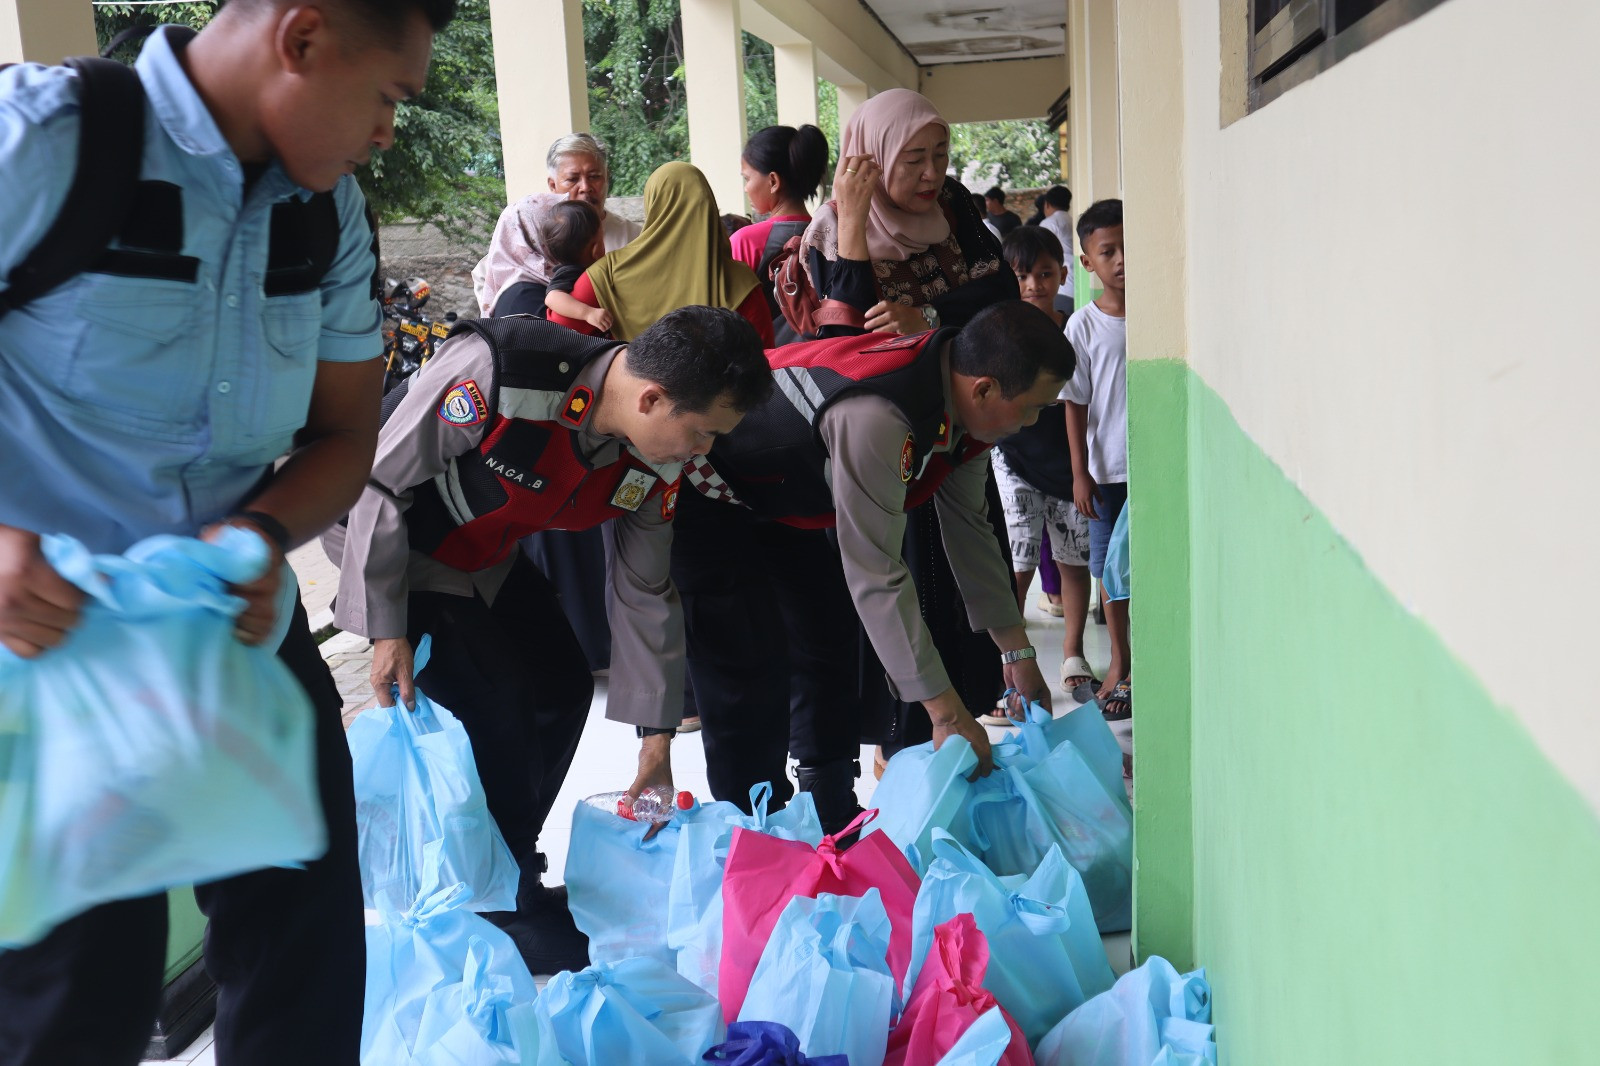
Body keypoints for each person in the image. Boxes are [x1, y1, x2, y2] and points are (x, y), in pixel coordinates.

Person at [0, 1, 451, 1063]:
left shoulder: (326, 214)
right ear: (300, 40)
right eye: (386, 96)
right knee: (81, 991)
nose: (388, 132)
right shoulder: (50, 139)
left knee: (305, 948)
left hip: (230, 626)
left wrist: (258, 530)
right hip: (46, 645)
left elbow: (344, 435)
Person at [328, 306, 772, 974]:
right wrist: (386, 627)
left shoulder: (654, 458)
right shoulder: (505, 373)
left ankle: (507, 870)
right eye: (702, 433)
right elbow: (377, 482)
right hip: (392, 540)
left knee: (562, 686)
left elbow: (644, 590)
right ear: (652, 398)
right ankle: (500, 909)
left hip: (483, 552)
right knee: (498, 704)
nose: (701, 452)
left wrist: (655, 743)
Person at [674, 301, 1071, 830]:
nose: (1032, 424)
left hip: (789, 495)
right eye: (1033, 408)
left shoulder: (963, 406)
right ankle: (754, 822)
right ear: (985, 389)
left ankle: (828, 797)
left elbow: (972, 531)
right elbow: (877, 574)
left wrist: (1016, 650)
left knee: (829, 634)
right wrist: (945, 711)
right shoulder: (879, 416)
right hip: (709, 489)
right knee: (744, 660)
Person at [794, 87, 1021, 757]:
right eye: (913, 159)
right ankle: (901, 753)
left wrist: (930, 317)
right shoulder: (831, 230)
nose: (931, 174)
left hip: (952, 438)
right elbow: (844, 336)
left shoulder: (953, 208)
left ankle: (963, 726)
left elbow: (1000, 290)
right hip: (881, 447)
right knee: (892, 589)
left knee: (961, 582)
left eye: (941, 156)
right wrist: (857, 225)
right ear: (871, 158)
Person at [985, 227, 1097, 708]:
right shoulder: (998, 329)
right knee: (1018, 562)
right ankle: (1008, 665)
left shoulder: (1071, 329)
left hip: (1068, 466)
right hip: (1012, 461)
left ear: (1063, 276)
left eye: (1045, 274)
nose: (1034, 284)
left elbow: (1083, 402)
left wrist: (1081, 470)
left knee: (1074, 562)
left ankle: (1073, 654)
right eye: (1022, 274)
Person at [548, 161, 775, 346]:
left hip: (636, 398)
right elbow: (765, 361)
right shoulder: (741, 283)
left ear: (653, 207)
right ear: (708, 205)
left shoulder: (605, 275)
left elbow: (557, 332)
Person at [1062, 199, 1130, 721]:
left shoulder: (1159, 313)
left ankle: (1139, 664)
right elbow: (1076, 405)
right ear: (1087, 262)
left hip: (1146, 469)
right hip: (1106, 474)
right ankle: (1119, 663)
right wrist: (1080, 473)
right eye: (1109, 251)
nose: (1122, 259)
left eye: (1129, 246)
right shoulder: (1083, 327)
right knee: (1109, 572)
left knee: (1139, 571)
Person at [472, 132, 642, 317]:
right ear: (553, 186)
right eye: (573, 179)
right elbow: (488, 282)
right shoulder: (533, 238)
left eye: (594, 176)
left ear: (607, 177)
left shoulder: (635, 238)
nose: (585, 187)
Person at [730, 123, 829, 343]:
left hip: (769, 369)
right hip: (823, 365)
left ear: (773, 181)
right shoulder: (830, 235)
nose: (746, 188)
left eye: (747, 178)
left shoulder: (745, 242)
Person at [537, 199, 613, 332]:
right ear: (595, 250)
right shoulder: (570, 271)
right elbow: (552, 298)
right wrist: (588, 313)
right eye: (602, 239)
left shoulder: (587, 269)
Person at [1038, 184, 1075, 308]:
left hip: (1062, 286)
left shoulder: (1050, 223)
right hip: (1077, 279)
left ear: (1047, 204)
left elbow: (1039, 253)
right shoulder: (1072, 220)